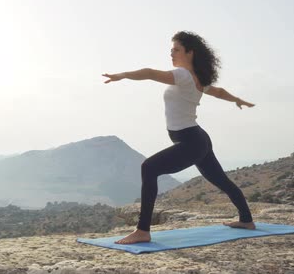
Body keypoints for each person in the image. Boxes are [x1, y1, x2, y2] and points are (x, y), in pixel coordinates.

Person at [102, 31, 256, 245]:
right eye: (171, 50)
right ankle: (247, 220)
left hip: (191, 141)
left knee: (149, 167)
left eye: (176, 49)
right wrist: (237, 100)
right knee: (221, 180)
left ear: (189, 53)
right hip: (197, 138)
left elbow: (149, 72)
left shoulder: (183, 75)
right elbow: (219, 92)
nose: (171, 53)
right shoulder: (198, 78)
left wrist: (123, 75)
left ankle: (142, 230)